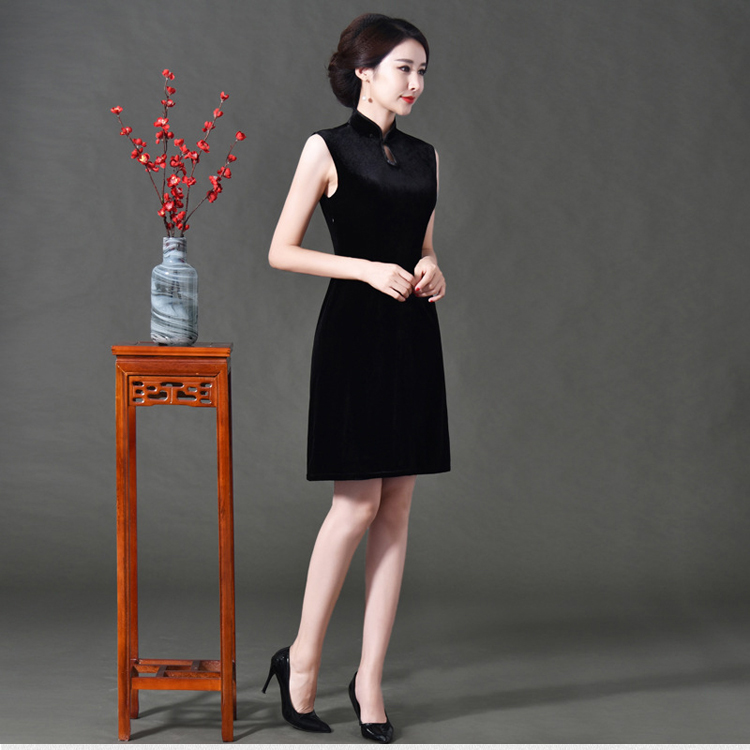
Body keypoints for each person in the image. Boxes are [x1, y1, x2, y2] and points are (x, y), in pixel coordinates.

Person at [263, 13, 450, 743]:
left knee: (397, 509)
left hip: (412, 336)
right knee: (355, 506)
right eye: (404, 68)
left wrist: (433, 268)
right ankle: (302, 660)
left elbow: (423, 244)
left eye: (423, 71)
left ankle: (370, 679)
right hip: (354, 337)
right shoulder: (326, 147)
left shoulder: (428, 157)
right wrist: (366, 269)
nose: (416, 82)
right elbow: (282, 250)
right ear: (364, 72)